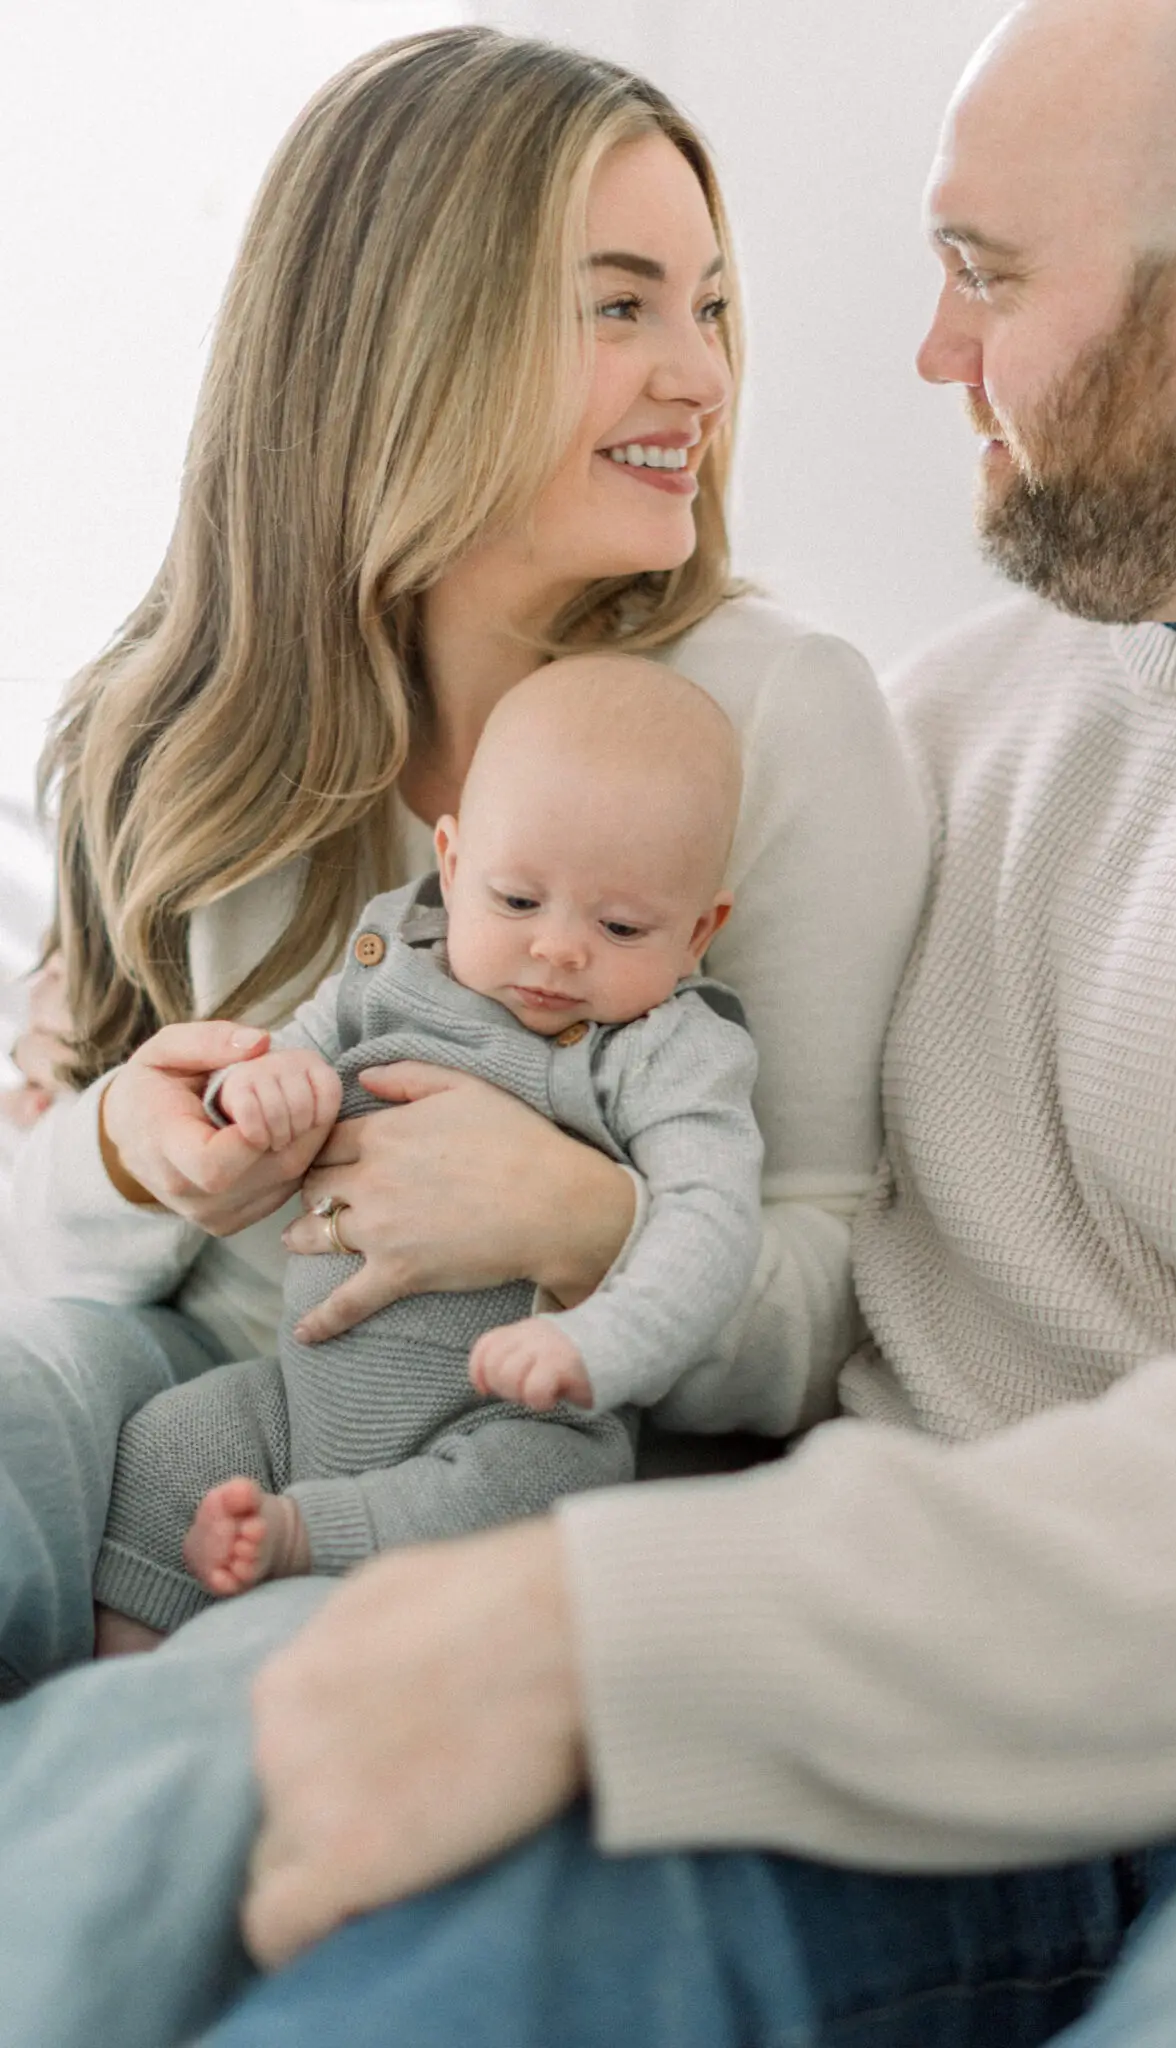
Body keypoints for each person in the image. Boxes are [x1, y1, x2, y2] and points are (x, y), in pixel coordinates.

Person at [0, 28, 921, 2045]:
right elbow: (54, 1252)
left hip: (523, 1442)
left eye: (709, 307)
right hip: (193, 1387)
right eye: (617, 307)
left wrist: (578, 1219)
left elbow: (830, 1307)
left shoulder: (779, 722)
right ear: (411, 332)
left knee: (205, 1704)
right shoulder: (175, 728)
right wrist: (137, 1160)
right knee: (26, 1389)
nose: (696, 370)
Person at [93, 655, 762, 1640]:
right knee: (169, 1442)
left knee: (531, 1492)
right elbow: (271, 1070)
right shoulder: (384, 972)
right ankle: (122, 1680)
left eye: (622, 924)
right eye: (518, 901)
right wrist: (261, 1086)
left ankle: (306, 1537)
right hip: (298, 1398)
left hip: (507, 1416)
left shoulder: (669, 1049)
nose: (558, 948)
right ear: (450, 865)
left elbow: (711, 1223)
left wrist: (598, 1341)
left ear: (701, 929)